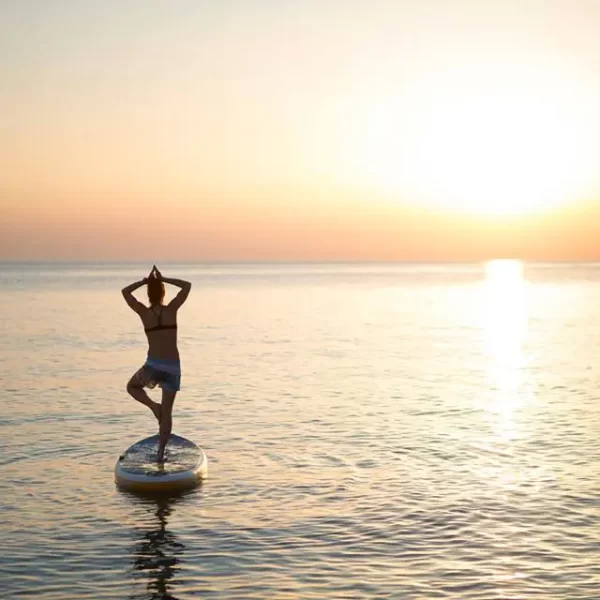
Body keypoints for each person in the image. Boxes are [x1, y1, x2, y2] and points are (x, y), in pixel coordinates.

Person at [121, 266, 191, 462]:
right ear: (162, 293)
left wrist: (145, 282)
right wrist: (164, 279)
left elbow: (125, 292)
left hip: (153, 366)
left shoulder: (143, 312)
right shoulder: (171, 310)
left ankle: (153, 407)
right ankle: (161, 453)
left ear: (149, 294)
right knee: (168, 413)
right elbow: (187, 286)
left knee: (132, 387)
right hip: (172, 367)